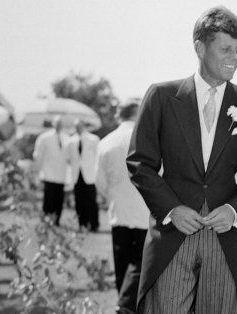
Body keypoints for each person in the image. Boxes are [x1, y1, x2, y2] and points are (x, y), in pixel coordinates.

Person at [126, 6, 237, 313]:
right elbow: (139, 163)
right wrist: (171, 209)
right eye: (226, 49)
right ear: (200, 47)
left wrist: (235, 210)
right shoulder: (160, 96)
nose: (234, 58)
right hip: (173, 236)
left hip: (225, 239)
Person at [96, 102, 149, 314]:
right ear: (138, 114)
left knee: (122, 265)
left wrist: (112, 197)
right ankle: (129, 307)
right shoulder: (147, 137)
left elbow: (98, 180)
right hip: (145, 212)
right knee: (142, 264)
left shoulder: (106, 141)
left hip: (118, 213)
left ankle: (123, 302)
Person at [33, 115, 70, 226]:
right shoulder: (44, 137)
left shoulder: (67, 138)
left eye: (61, 123)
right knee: (48, 199)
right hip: (48, 174)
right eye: (57, 123)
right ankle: (46, 220)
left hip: (61, 175)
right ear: (53, 124)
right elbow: (38, 155)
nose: (59, 125)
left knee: (59, 199)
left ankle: (57, 220)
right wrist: (39, 171)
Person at [68, 119, 100, 231]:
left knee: (91, 200)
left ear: (84, 126)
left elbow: (98, 157)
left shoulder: (93, 139)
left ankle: (94, 224)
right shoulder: (71, 141)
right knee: (79, 201)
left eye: (80, 126)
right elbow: (70, 159)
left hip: (90, 175)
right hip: (77, 175)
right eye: (76, 126)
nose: (78, 128)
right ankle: (82, 224)